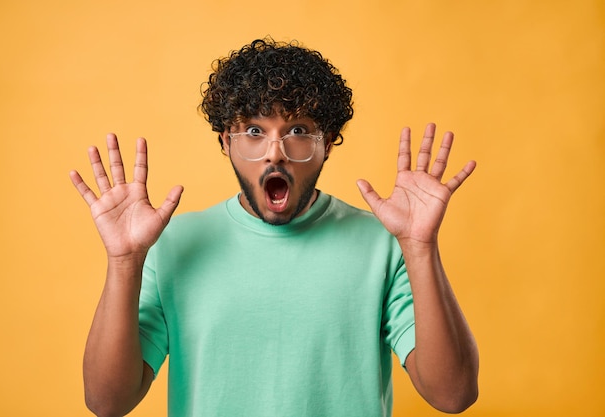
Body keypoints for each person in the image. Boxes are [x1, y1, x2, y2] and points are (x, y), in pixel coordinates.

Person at [70, 38, 479, 417]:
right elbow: (107, 402)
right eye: (253, 132)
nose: (275, 153)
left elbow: (453, 394)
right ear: (226, 142)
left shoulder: (384, 245)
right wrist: (124, 261)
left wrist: (420, 246)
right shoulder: (173, 244)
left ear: (327, 142)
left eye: (298, 131)